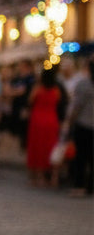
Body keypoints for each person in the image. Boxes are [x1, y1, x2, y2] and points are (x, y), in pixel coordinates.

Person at [26, 67, 65, 187]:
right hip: (51, 120)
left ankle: (37, 176)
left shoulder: (38, 89)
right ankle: (51, 176)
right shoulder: (56, 90)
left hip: (37, 120)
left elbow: (30, 101)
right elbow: (59, 103)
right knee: (49, 147)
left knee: (37, 146)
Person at [64, 57, 93, 197]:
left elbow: (77, 107)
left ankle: (79, 185)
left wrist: (69, 122)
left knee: (80, 157)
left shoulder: (84, 84)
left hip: (83, 124)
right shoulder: (84, 84)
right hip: (87, 124)